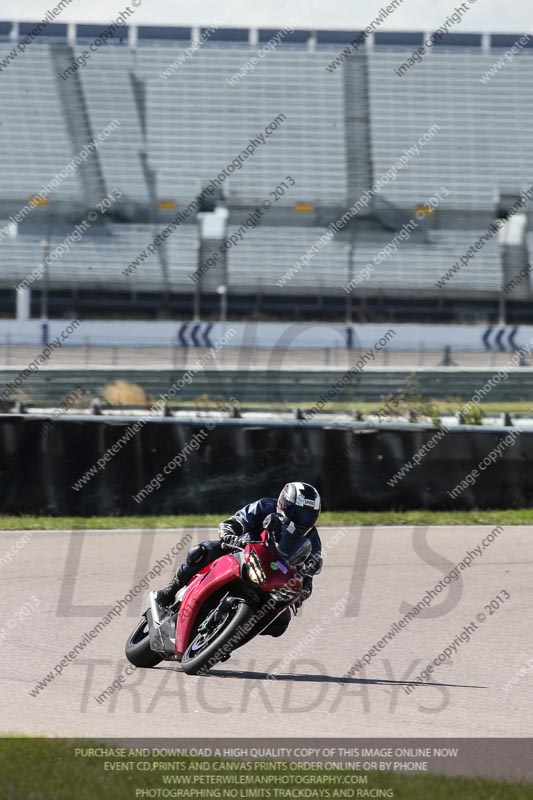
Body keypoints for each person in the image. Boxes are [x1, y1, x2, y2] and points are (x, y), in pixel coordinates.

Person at [155, 482, 323, 637]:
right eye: (299, 512)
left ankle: (232, 636)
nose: (303, 519)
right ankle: (170, 591)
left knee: (280, 622)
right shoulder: (265, 506)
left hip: (271, 577)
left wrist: (302, 591)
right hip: (240, 552)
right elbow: (236, 521)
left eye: (309, 515)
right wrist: (230, 535)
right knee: (202, 551)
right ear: (284, 503)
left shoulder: (313, 540)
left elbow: (307, 577)